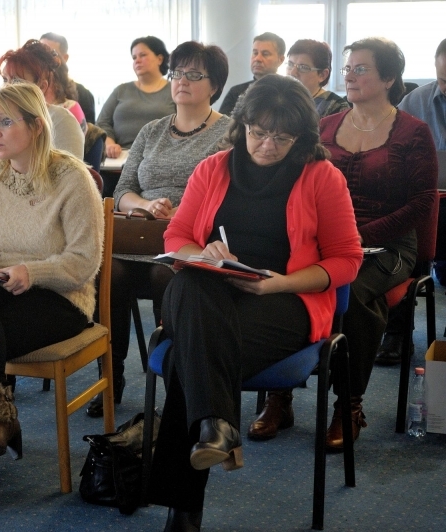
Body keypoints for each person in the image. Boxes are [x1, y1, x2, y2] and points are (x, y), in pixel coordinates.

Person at [147, 74, 362, 531]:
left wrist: (278, 284)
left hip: (286, 300)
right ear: (241, 125)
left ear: (302, 137)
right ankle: (217, 426)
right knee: (185, 284)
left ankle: (187, 500)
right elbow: (177, 236)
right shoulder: (214, 169)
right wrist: (201, 254)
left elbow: (346, 261)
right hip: (214, 293)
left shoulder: (322, 177)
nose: (266, 145)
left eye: (281, 138)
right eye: (258, 133)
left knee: (191, 358)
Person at [0, 82, 103, 516]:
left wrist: (33, 271)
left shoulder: (72, 177)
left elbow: (84, 263)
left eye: (5, 122)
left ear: (36, 124)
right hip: (1, 291)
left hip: (62, 297)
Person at [86, 41, 232, 418]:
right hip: (142, 232)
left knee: (164, 276)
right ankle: (111, 376)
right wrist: (146, 205)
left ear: (214, 85)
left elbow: (227, 195)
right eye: (177, 73)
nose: (182, 81)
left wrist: (182, 212)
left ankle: (177, 382)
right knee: (110, 273)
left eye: (194, 75)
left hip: (190, 239)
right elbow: (121, 192)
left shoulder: (228, 134)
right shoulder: (152, 130)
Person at [315, 37, 438, 450]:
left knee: (353, 292)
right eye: (347, 68)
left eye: (361, 69)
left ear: (388, 78)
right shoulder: (326, 127)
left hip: (389, 244)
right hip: (326, 240)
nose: (350, 75)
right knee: (285, 279)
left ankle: (348, 404)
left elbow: (423, 203)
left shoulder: (412, 132)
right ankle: (280, 397)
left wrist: (359, 237)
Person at [0, 40, 85, 202]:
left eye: (16, 81)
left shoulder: (63, 121)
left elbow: (69, 183)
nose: (7, 87)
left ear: (41, 87)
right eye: (5, 79)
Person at [392, 37, 446, 324]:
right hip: (425, 201)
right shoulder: (414, 101)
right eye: (442, 79)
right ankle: (398, 333)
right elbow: (393, 153)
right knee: (400, 238)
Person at [97, 36, 175, 159]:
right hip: (120, 159)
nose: (137, 60)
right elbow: (102, 122)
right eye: (134, 57)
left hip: (161, 159)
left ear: (160, 59)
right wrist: (110, 144)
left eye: (142, 55)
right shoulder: (121, 90)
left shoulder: (175, 90)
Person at [218, 32, 285, 116]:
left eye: (265, 54)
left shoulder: (287, 92)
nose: (258, 59)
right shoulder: (236, 92)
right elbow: (220, 128)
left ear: (281, 59)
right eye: (255, 53)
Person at [40, 32, 96, 123]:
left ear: (65, 58)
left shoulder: (84, 95)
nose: (42, 60)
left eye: (51, 55)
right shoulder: (27, 92)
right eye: (38, 54)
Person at [286, 39, 350, 118]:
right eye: (290, 64)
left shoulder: (336, 107)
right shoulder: (280, 98)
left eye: (303, 67)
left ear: (322, 75)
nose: (292, 73)